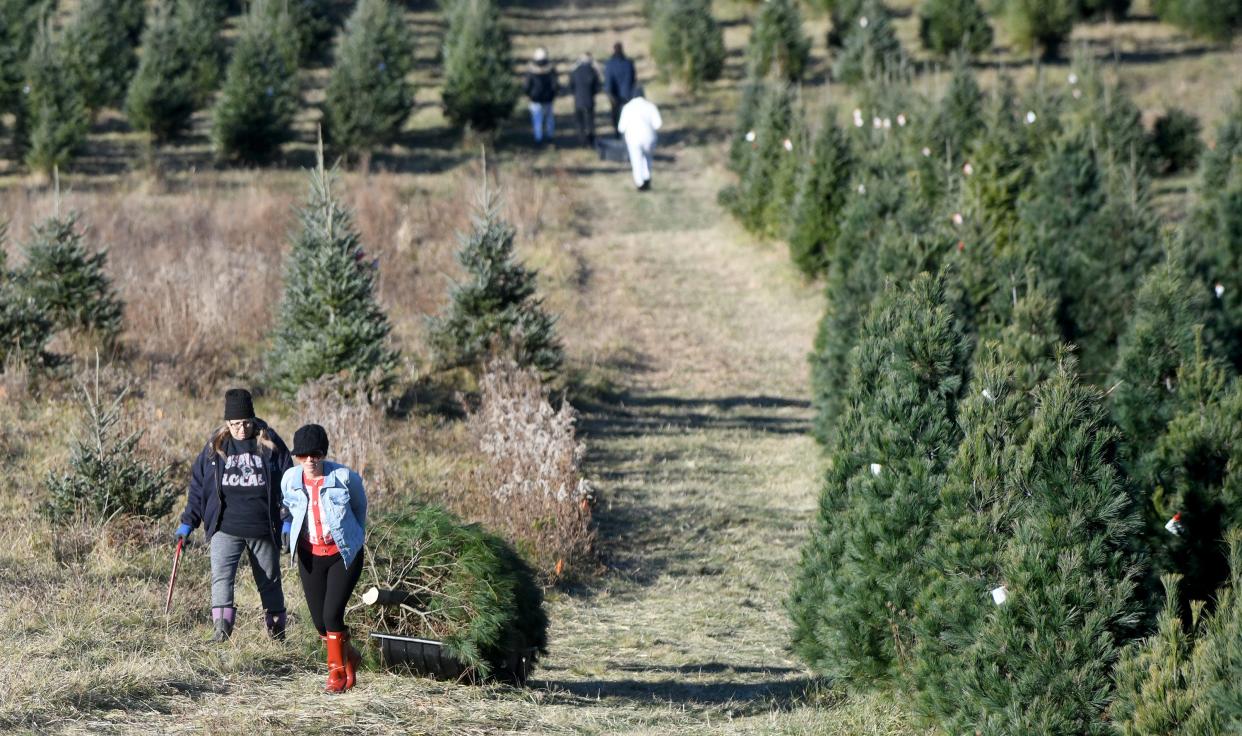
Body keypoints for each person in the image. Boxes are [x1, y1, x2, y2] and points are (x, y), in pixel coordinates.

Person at [175, 388, 293, 642]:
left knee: (270, 580)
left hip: (263, 527)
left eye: (246, 422)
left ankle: (277, 635)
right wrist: (188, 522)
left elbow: (289, 483)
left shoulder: (270, 443)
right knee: (221, 579)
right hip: (225, 527)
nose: (241, 428)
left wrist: (288, 520)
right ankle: (221, 633)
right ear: (227, 422)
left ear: (253, 419)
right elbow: (199, 486)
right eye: (236, 423)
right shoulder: (216, 446)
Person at [281, 424, 368, 693]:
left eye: (315, 454)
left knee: (332, 615)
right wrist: (287, 529)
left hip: (343, 556)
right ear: (296, 456)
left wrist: (352, 537)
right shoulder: (290, 479)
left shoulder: (345, 477)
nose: (309, 460)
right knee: (320, 622)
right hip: (310, 556)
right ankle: (350, 655)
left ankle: (337, 674)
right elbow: (288, 506)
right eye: (302, 455)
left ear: (324, 454)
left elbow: (359, 507)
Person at [617, 86, 662, 191]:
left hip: (633, 138)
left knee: (636, 160)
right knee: (648, 158)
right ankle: (647, 178)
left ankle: (639, 183)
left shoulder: (627, 107)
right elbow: (658, 124)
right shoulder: (650, 106)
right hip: (649, 138)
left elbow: (621, 128)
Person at [522, 47, 559, 145]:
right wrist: (553, 95)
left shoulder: (530, 70)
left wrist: (528, 94)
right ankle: (550, 136)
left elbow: (526, 85)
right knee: (549, 119)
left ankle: (538, 138)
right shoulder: (551, 69)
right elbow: (555, 85)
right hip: (548, 99)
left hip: (535, 99)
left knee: (537, 120)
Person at [569, 52, 601, 146]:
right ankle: (591, 140)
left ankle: (582, 140)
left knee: (580, 122)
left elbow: (571, 86)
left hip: (578, 100)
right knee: (590, 121)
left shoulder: (575, 71)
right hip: (589, 100)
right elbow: (597, 87)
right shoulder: (593, 71)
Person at [603, 42, 636, 136]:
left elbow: (608, 79)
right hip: (627, 94)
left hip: (615, 95)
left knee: (616, 114)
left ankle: (617, 132)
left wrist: (609, 92)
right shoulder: (628, 63)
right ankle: (626, 132)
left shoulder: (610, 63)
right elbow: (633, 78)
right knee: (627, 114)